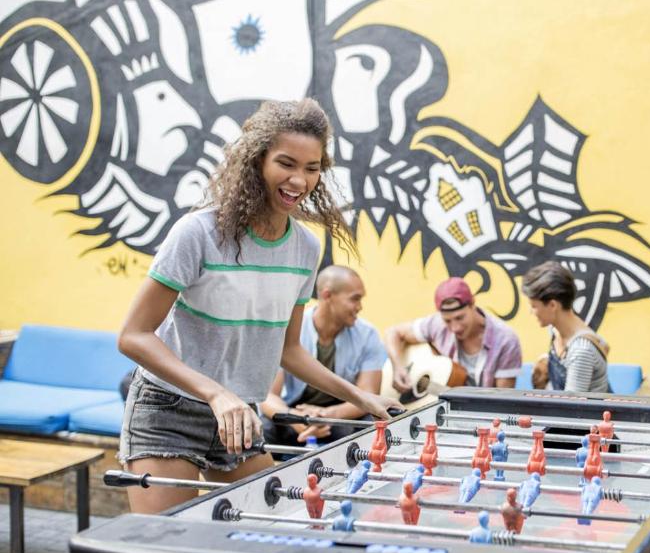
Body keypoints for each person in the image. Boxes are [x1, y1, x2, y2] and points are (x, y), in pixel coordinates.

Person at [117, 99, 401, 515]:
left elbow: (289, 350)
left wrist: (361, 396)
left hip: (239, 418)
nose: (299, 180)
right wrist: (216, 394)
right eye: (286, 163)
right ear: (256, 160)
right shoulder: (198, 233)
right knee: (164, 552)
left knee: (270, 529)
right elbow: (133, 336)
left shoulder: (305, 247)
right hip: (169, 411)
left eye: (312, 167)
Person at [260, 265, 388, 447]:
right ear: (327, 296)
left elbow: (369, 397)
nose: (360, 307)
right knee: (261, 426)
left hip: (338, 418)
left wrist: (326, 415)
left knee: (372, 423)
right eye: (355, 299)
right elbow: (267, 396)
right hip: (293, 415)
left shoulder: (368, 334)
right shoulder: (288, 330)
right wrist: (297, 418)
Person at [384, 277, 522, 391]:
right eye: (447, 321)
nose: (455, 328)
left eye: (460, 318)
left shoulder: (506, 340)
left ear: (472, 304)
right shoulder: (436, 324)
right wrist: (398, 368)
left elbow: (503, 400)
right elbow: (393, 332)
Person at [521, 261, 610, 393]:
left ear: (552, 305)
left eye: (534, 306)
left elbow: (570, 408)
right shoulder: (555, 329)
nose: (531, 312)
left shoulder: (581, 350)